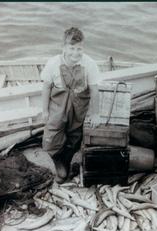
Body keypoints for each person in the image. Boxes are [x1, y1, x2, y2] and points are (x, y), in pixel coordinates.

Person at [40, 27, 101, 183]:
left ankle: (66, 161)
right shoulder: (53, 63)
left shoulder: (90, 64)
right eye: (71, 48)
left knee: (74, 138)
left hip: (79, 106)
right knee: (50, 139)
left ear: (83, 47)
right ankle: (58, 160)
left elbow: (94, 90)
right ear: (64, 47)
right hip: (57, 107)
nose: (75, 53)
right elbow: (46, 87)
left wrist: (95, 113)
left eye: (79, 48)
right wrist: (45, 110)